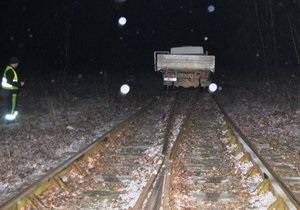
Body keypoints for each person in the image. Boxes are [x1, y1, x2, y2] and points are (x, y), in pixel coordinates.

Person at [1, 57, 24, 122]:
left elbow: (11, 80)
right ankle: (10, 121)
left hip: (9, 91)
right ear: (14, 63)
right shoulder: (10, 70)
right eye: (17, 63)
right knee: (12, 105)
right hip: (11, 91)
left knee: (10, 105)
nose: (17, 65)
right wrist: (19, 83)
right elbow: (10, 81)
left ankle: (10, 120)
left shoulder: (9, 69)